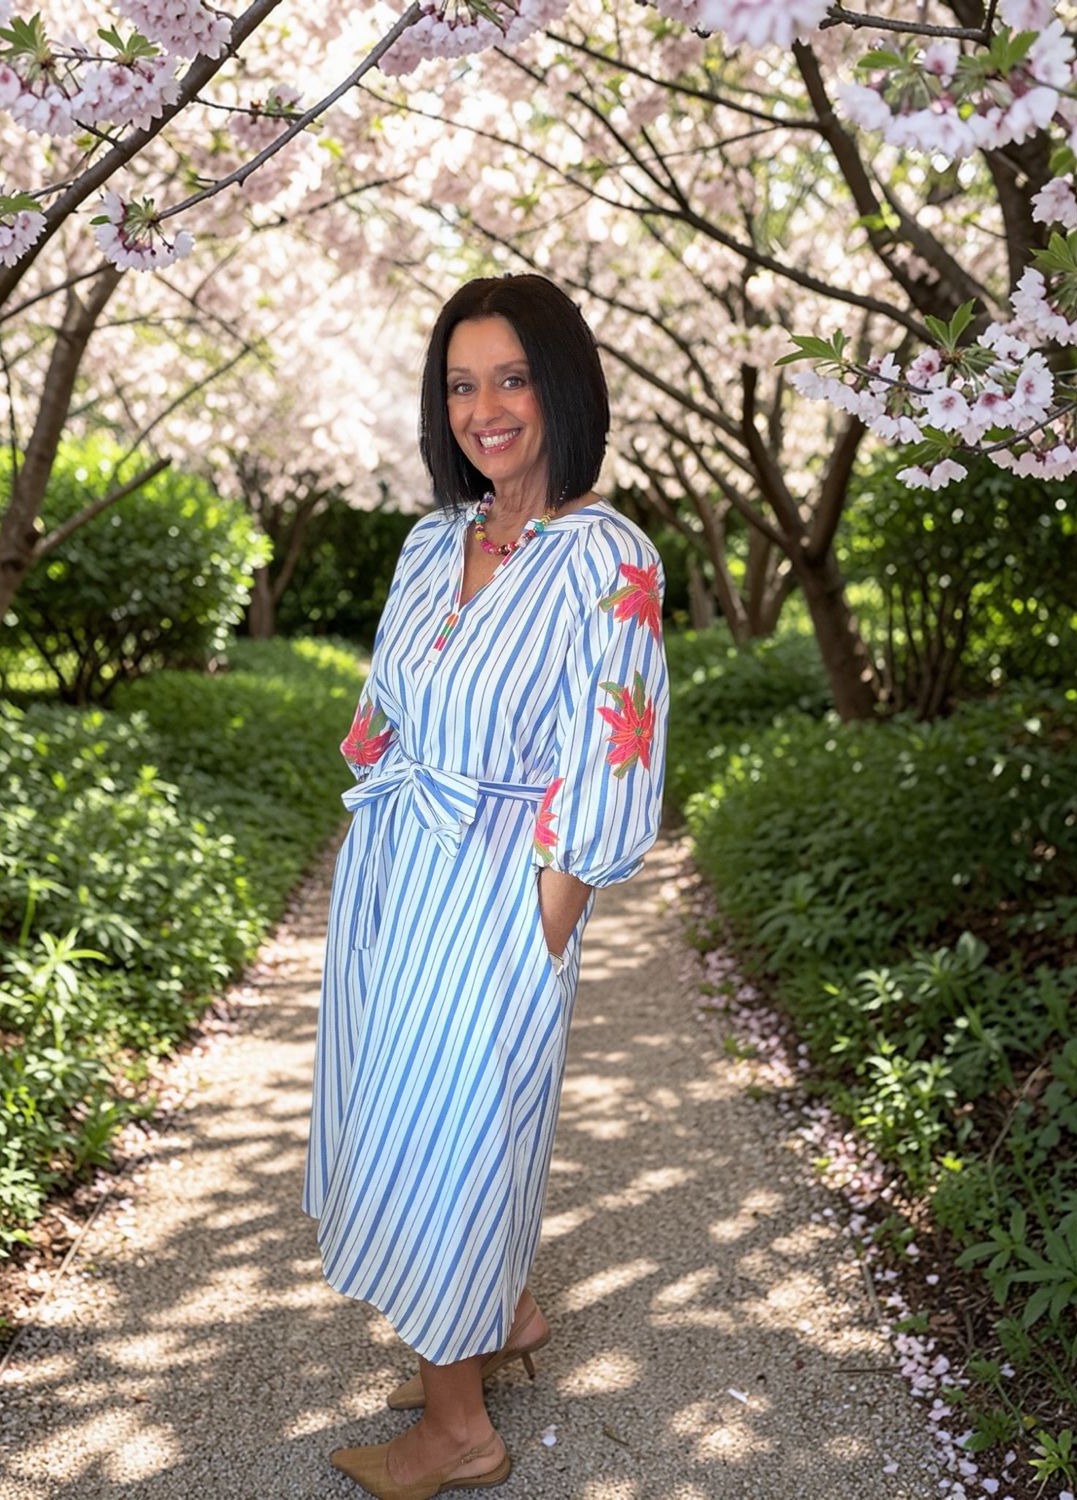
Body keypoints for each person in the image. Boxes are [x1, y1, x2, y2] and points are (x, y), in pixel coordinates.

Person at [301, 273, 669, 1498]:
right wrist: (377, 831)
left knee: (452, 1135)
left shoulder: (605, 555)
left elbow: (615, 742)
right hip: (397, 871)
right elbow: (383, 711)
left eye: (511, 376)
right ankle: (501, 1313)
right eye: (462, 384)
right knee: (399, 1113)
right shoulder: (428, 541)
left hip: (499, 884)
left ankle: (458, 1430)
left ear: (561, 384)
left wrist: (548, 911)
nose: (485, 407)